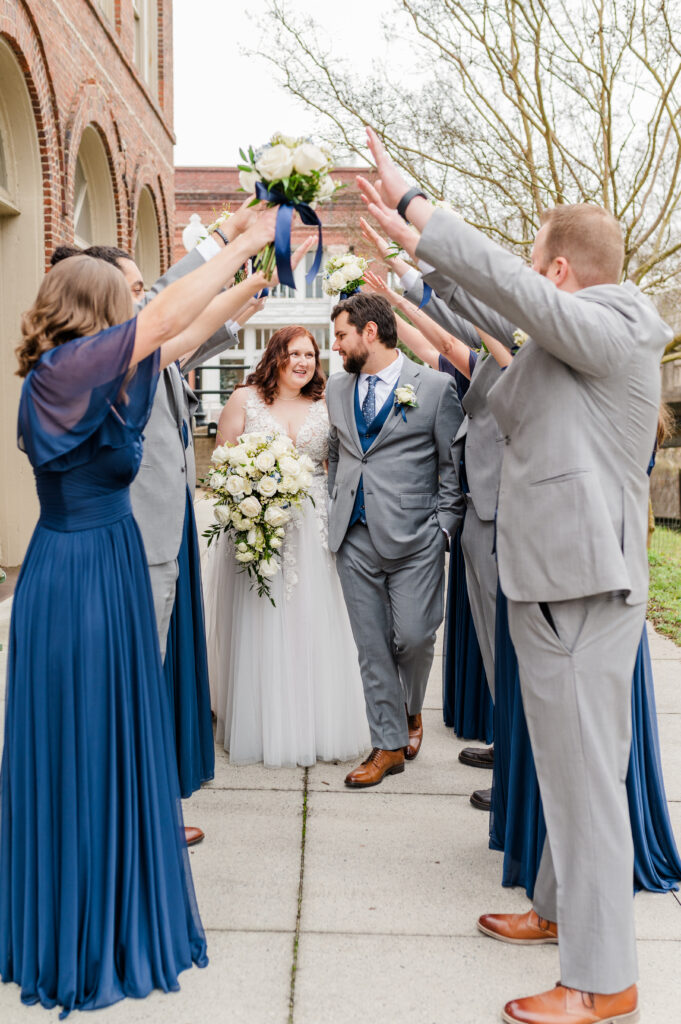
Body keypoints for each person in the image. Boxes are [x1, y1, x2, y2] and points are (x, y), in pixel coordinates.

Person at [359, 125, 671, 1024]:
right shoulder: (563, 343)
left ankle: (604, 980)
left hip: (577, 585)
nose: (529, 281)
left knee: (585, 783)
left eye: (537, 266)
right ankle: (555, 911)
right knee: (565, 770)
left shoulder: (617, 328)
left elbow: (512, 296)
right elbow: (487, 326)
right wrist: (417, 264)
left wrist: (422, 207)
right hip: (545, 578)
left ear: (561, 273)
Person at [0, 209, 277, 1016]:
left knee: (117, 733)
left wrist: (247, 278)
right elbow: (163, 313)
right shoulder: (66, 373)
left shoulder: (105, 370)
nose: (139, 308)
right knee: (84, 735)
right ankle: (78, 926)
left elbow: (180, 326)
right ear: (95, 310)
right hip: (78, 575)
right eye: (124, 298)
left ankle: (109, 892)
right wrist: (242, 239)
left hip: (113, 564)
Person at [204, 325, 370, 767]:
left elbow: (338, 465)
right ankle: (263, 721)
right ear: (275, 355)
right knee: (262, 622)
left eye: (310, 355)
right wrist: (249, 499)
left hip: (313, 526)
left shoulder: (327, 403)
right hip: (260, 525)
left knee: (315, 622)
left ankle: (315, 721)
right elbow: (223, 460)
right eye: (294, 353)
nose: (303, 362)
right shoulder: (245, 399)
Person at [326, 292, 464, 787]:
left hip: (416, 539)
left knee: (413, 637)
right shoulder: (336, 390)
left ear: (369, 332)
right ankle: (386, 745)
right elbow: (340, 456)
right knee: (372, 646)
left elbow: (451, 465)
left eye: (341, 335)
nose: (336, 346)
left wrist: (443, 529)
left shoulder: (434, 387)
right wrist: (337, 508)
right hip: (354, 537)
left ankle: (411, 708)